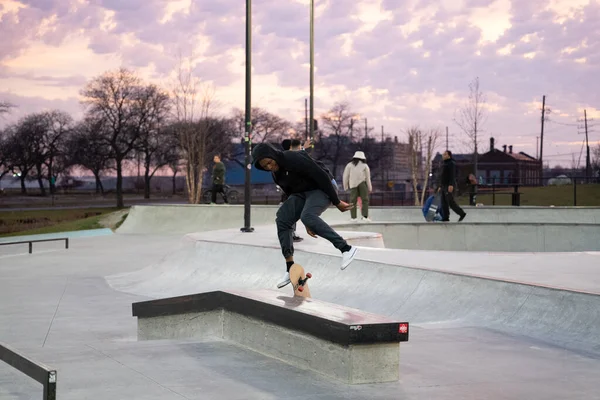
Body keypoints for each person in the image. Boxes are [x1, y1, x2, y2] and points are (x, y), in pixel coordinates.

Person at [252, 142, 358, 289]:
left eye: (269, 163)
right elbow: (290, 194)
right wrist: (306, 222)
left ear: (273, 155)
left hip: (323, 186)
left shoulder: (292, 158)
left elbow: (321, 176)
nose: (269, 167)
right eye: (265, 167)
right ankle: (290, 267)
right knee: (283, 218)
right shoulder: (276, 175)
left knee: (307, 215)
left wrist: (336, 201)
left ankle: (346, 248)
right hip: (301, 193)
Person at [343, 151, 372, 222]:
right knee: (365, 200)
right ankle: (365, 216)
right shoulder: (365, 165)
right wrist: (369, 187)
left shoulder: (349, 165)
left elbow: (345, 176)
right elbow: (368, 178)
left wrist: (345, 186)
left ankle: (353, 217)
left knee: (352, 201)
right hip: (363, 184)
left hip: (353, 185)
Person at [440, 150, 466, 222]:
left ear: (449, 155)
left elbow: (452, 175)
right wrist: (440, 186)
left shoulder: (451, 163)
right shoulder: (444, 164)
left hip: (449, 185)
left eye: (445, 154)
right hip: (443, 185)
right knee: (443, 202)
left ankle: (462, 213)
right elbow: (442, 176)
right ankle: (445, 217)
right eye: (443, 154)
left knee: (450, 201)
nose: (443, 156)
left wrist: (451, 184)